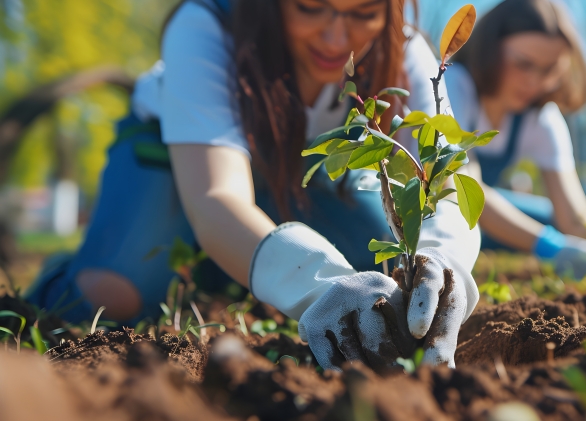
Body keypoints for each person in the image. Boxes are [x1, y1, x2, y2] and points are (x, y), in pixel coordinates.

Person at [25, 0, 481, 371]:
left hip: (288, 172)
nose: (337, 38)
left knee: (378, 264)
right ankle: (68, 278)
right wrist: (323, 284)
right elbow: (217, 197)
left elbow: (445, 175)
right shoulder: (207, 24)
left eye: (363, 12)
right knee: (112, 294)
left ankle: (224, 269)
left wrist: (444, 261)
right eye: (310, 7)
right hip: (173, 161)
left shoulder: (404, 51)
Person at [444, 0, 586, 277]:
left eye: (549, 69)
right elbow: (463, 187)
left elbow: (573, 213)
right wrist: (550, 246)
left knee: (546, 215)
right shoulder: (453, 86)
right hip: (438, 210)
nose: (534, 82)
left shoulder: (540, 117)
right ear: (490, 51)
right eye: (523, 64)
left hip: (478, 218)